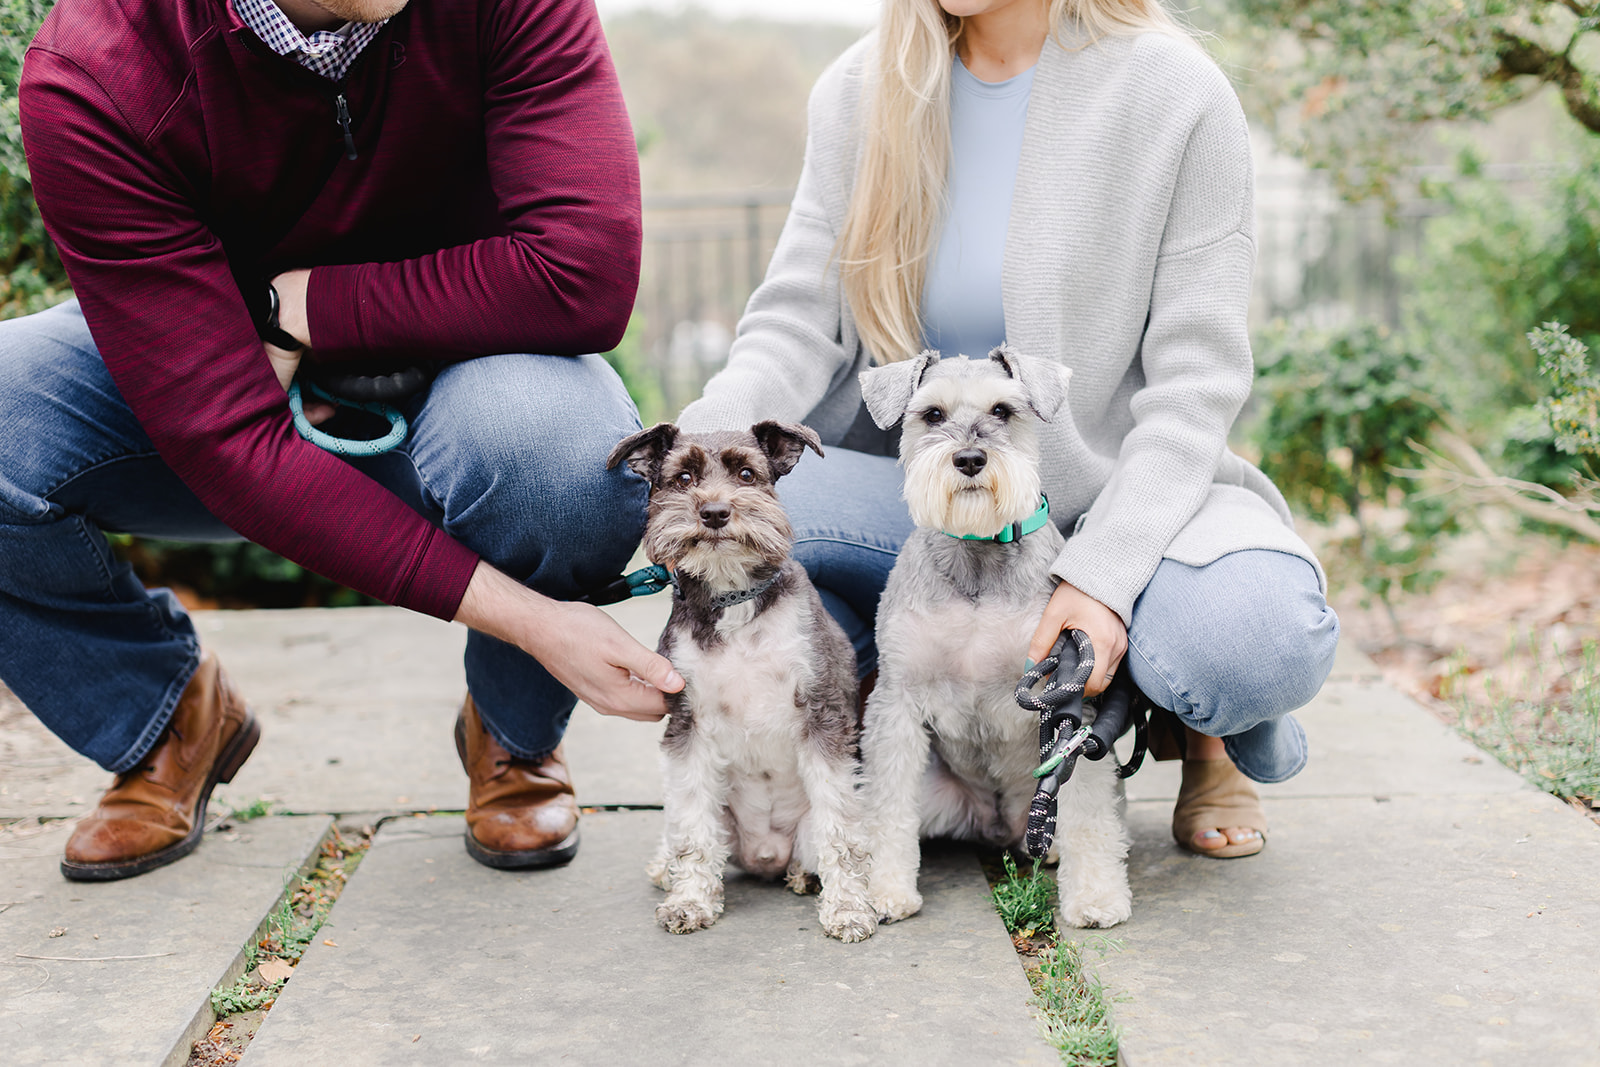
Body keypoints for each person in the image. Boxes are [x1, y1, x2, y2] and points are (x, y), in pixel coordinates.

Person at [3, 0, 682, 882]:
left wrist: (309, 308)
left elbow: (583, 273)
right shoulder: (96, 67)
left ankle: (511, 734)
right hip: (217, 356)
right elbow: (228, 440)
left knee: (569, 459)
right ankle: (166, 716)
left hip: (466, 358)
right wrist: (542, 622)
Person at [676, 0, 1340, 858]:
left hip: (1121, 492)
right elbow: (796, 323)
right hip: (926, 505)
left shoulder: (1177, 90)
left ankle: (1187, 720)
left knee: (1251, 641)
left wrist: (1100, 577)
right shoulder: (858, 89)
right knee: (733, 530)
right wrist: (699, 450)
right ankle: (958, 707)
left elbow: (1197, 381)